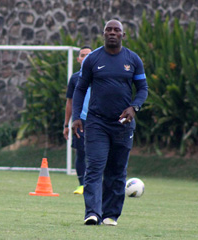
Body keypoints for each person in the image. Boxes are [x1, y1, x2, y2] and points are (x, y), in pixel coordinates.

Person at [72, 19, 148, 226]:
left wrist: (134, 107)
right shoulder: (92, 59)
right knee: (95, 167)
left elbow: (143, 89)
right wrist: (76, 117)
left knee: (117, 170)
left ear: (123, 35)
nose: (112, 33)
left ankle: (110, 215)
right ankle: (92, 213)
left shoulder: (132, 59)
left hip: (123, 124)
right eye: (109, 30)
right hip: (96, 122)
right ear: (103, 33)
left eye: (117, 30)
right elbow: (80, 89)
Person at [63, 46, 92, 195]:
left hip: (97, 120)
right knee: (81, 152)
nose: (86, 57)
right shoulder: (75, 78)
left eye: (89, 54)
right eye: (83, 55)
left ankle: (96, 184)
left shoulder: (99, 75)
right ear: (78, 59)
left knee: (98, 153)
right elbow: (70, 102)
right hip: (80, 121)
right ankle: (81, 185)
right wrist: (66, 124)